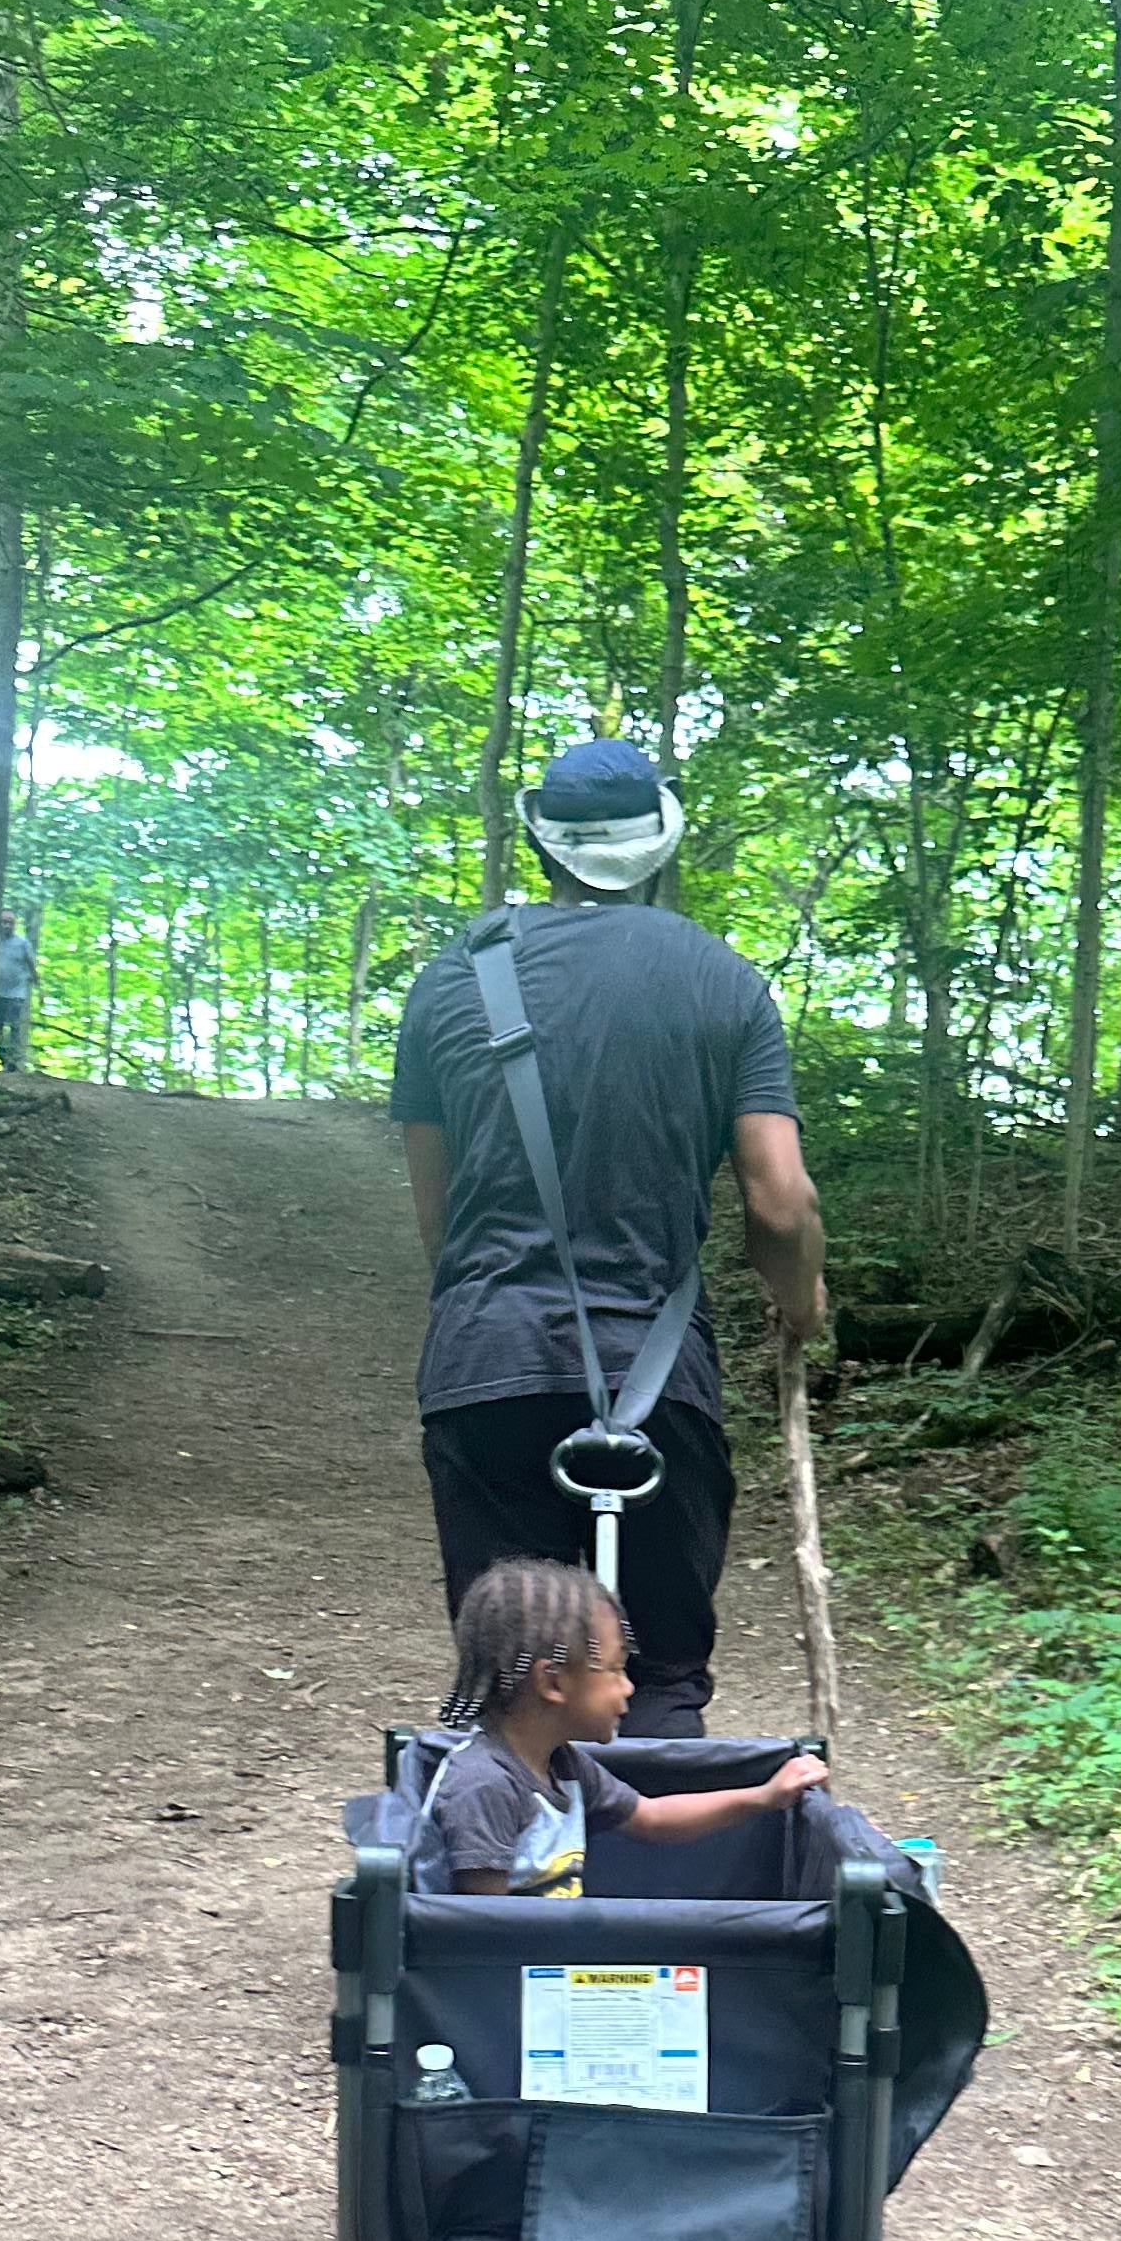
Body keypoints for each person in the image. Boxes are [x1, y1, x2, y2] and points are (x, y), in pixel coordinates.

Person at [392, 734, 828, 1737]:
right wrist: (802, 1307)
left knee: (512, 1691)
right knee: (660, 1677)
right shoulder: (725, 982)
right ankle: (661, 1870)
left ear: (543, 846)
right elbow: (781, 1204)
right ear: (663, 848)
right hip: (657, 1379)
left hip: (485, 1363)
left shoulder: (453, 979)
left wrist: (491, 1312)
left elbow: (437, 1212)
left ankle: (500, 1879)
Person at [428, 1559, 827, 1897]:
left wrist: (763, 1797)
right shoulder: (485, 1787)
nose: (630, 1687)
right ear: (553, 1683)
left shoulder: (562, 1765)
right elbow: (478, 1934)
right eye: (616, 1670)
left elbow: (651, 1817)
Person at [0, 910, 36, 1071]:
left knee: (14, 1026)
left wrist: (37, 981)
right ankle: (3, 1058)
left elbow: (31, 964)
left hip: (16, 993)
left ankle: (14, 1060)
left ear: (15, 925)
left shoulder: (22, 944)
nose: (6, 925)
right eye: (3, 922)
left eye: (10, 922)